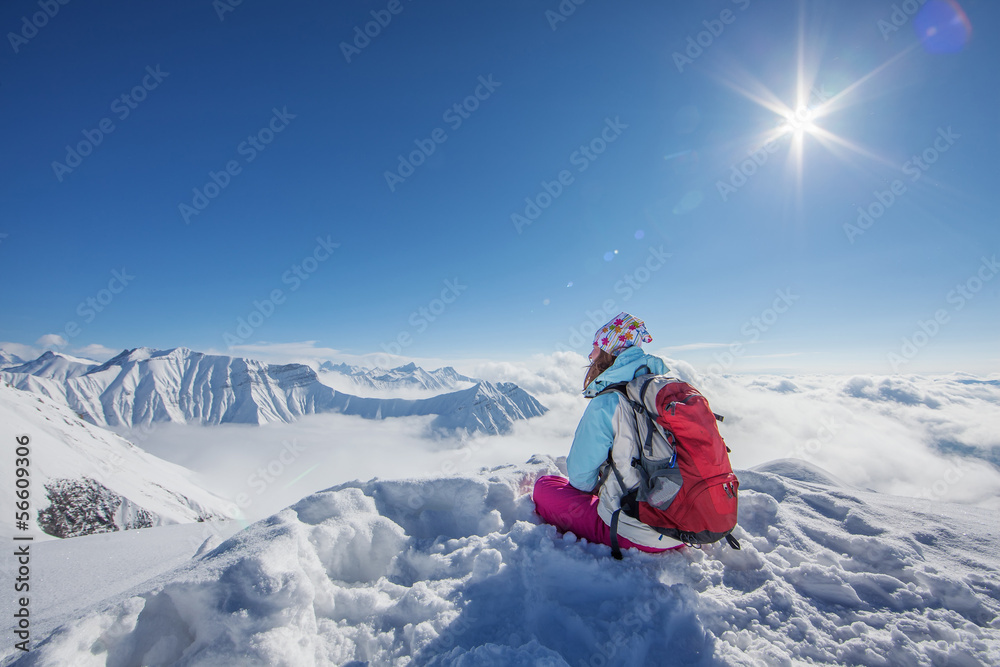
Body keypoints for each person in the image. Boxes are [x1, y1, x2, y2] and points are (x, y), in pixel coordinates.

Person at [533, 312, 684, 554]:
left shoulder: (608, 402)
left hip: (637, 531)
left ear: (609, 351)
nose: (590, 355)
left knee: (544, 486)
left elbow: (581, 480)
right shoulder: (666, 391)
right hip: (685, 522)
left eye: (594, 347)